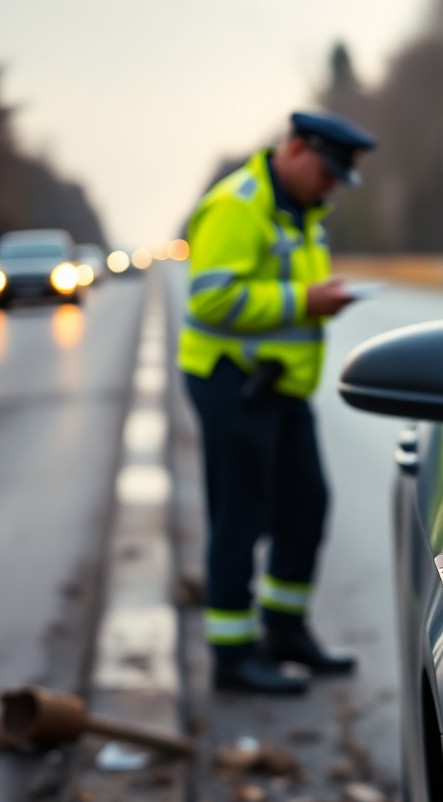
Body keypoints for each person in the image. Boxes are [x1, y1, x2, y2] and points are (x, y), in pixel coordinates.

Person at [178, 112, 376, 694]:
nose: (331, 186)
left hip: (282, 387)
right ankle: (232, 655)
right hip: (234, 383)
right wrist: (304, 300)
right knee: (240, 517)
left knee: (306, 507)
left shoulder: (304, 213)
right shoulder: (238, 206)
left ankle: (284, 633)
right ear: (293, 149)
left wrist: (318, 298)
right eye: (325, 171)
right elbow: (211, 300)